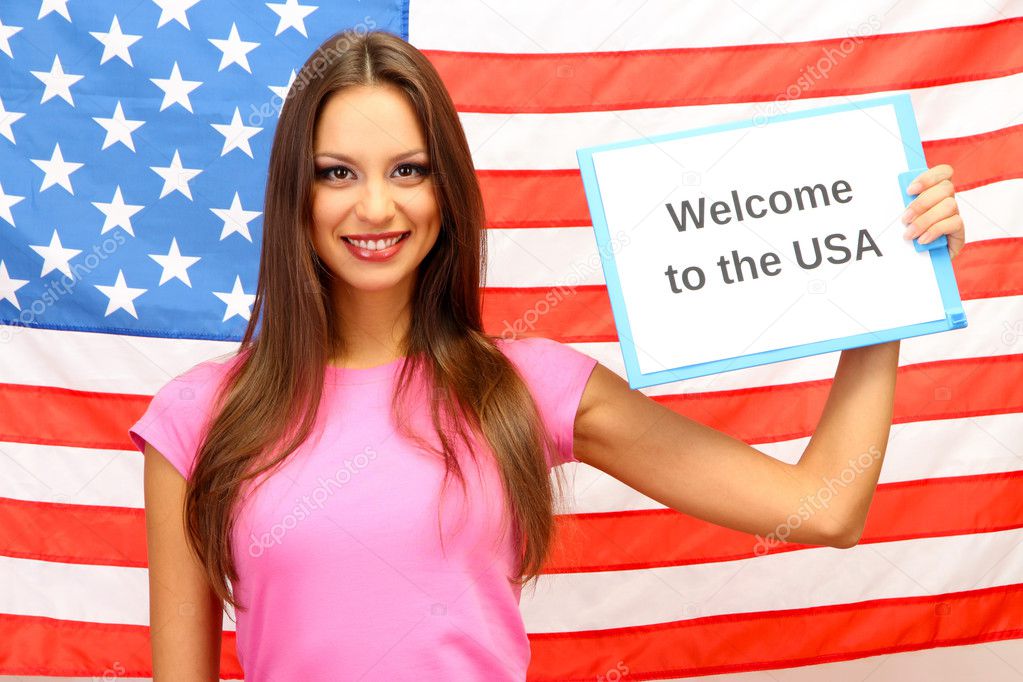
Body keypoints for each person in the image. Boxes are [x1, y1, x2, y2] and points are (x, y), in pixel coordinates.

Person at [129, 28, 967, 682]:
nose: (375, 206)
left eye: (409, 170)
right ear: (296, 193)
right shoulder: (198, 417)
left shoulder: (529, 385)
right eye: (338, 172)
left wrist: (880, 293)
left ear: (446, 189)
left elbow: (823, 507)